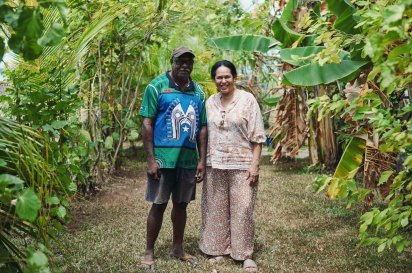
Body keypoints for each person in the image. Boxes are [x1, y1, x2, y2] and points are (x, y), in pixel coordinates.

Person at [139, 46, 207, 270]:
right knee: (158, 205)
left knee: (181, 205)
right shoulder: (156, 86)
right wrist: (151, 160)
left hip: (187, 160)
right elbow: (147, 124)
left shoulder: (198, 92)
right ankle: (149, 251)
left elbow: (203, 128)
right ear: (172, 62)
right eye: (181, 61)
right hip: (163, 160)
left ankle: (178, 248)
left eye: (189, 62)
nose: (185, 65)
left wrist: (201, 160)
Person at [199, 60, 265, 272]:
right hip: (214, 163)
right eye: (219, 77)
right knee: (215, 208)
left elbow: (257, 136)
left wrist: (255, 165)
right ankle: (218, 249)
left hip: (242, 163)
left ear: (234, 78)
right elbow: (203, 133)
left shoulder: (247, 100)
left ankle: (244, 254)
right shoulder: (210, 102)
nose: (223, 81)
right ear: (214, 80)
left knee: (243, 209)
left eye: (227, 76)